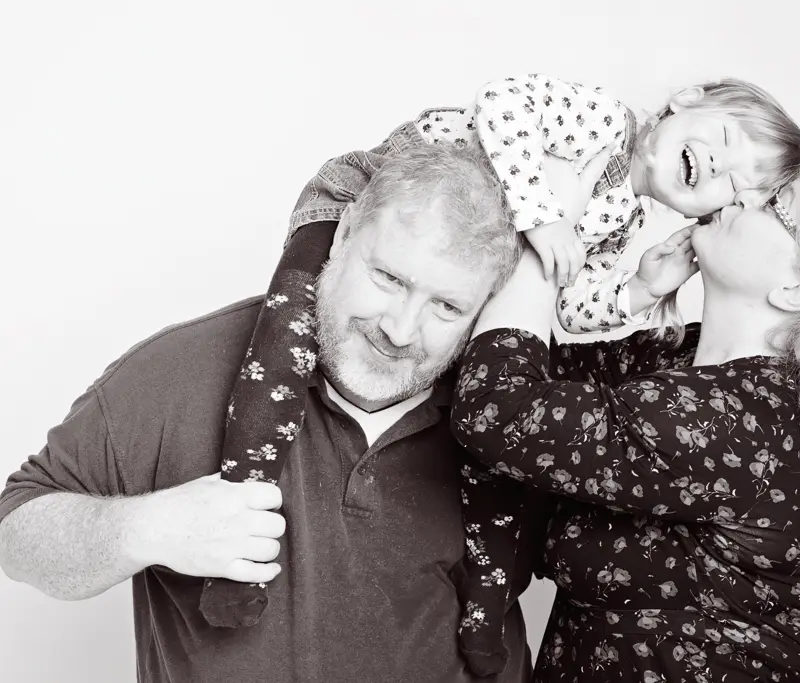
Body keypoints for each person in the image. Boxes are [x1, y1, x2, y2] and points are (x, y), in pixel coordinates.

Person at [0, 142, 532, 683]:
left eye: (447, 307)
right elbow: (15, 532)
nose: (399, 329)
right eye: (389, 279)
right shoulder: (184, 370)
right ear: (344, 232)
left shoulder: (510, 418)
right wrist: (148, 528)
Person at [450, 157, 800, 682]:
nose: (744, 190)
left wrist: (545, 222)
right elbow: (535, 369)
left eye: (775, 204)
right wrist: (634, 294)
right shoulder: (693, 362)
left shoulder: (744, 419)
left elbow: (497, 408)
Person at [296, 72, 800, 335]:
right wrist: (540, 213)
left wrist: (638, 289)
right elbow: (502, 100)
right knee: (290, 331)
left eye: (735, 184)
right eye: (724, 137)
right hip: (370, 190)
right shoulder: (605, 123)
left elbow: (566, 304)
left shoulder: (621, 221)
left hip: (423, 267)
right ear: (688, 99)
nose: (719, 165)